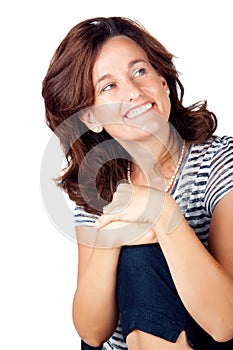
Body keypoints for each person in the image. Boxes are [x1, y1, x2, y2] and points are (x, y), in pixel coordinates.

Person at [42, 16, 233, 350]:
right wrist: (111, 237)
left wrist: (161, 213)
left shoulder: (219, 160)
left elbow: (226, 322)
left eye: (140, 71)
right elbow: (91, 332)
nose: (133, 92)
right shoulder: (97, 191)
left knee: (142, 257)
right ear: (91, 118)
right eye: (108, 86)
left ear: (163, 81)